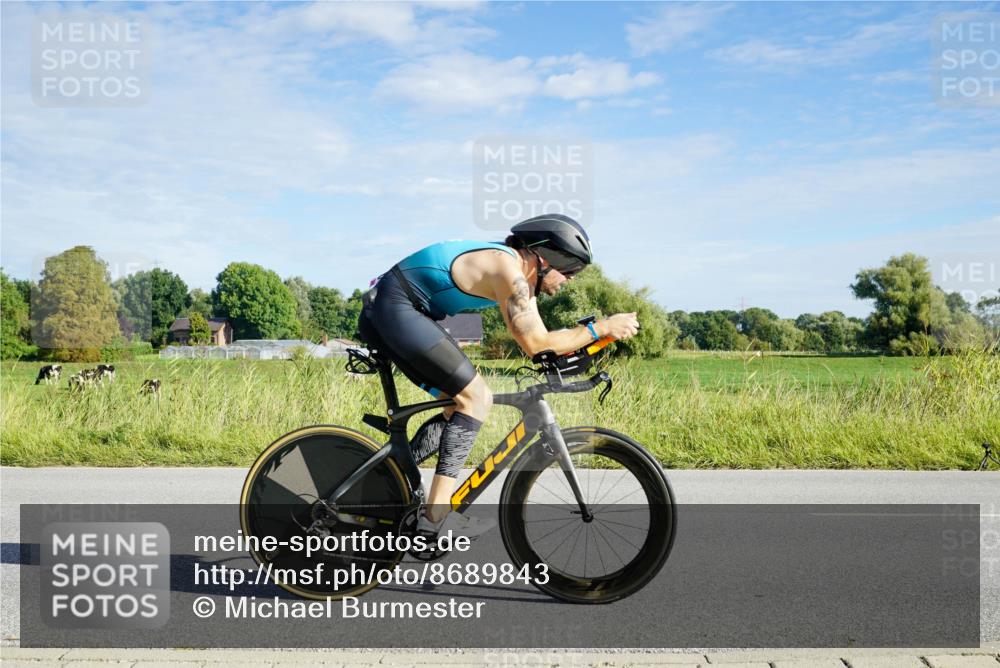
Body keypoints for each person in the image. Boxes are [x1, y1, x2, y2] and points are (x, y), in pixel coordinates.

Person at [356, 214, 640, 539]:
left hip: (402, 310)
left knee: (456, 408)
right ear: (545, 258)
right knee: (475, 399)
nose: (571, 280)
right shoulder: (509, 271)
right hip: (397, 307)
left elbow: (544, 340)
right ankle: (435, 517)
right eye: (571, 270)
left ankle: (386, 479)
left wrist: (590, 341)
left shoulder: (516, 273)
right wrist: (601, 328)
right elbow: (536, 344)